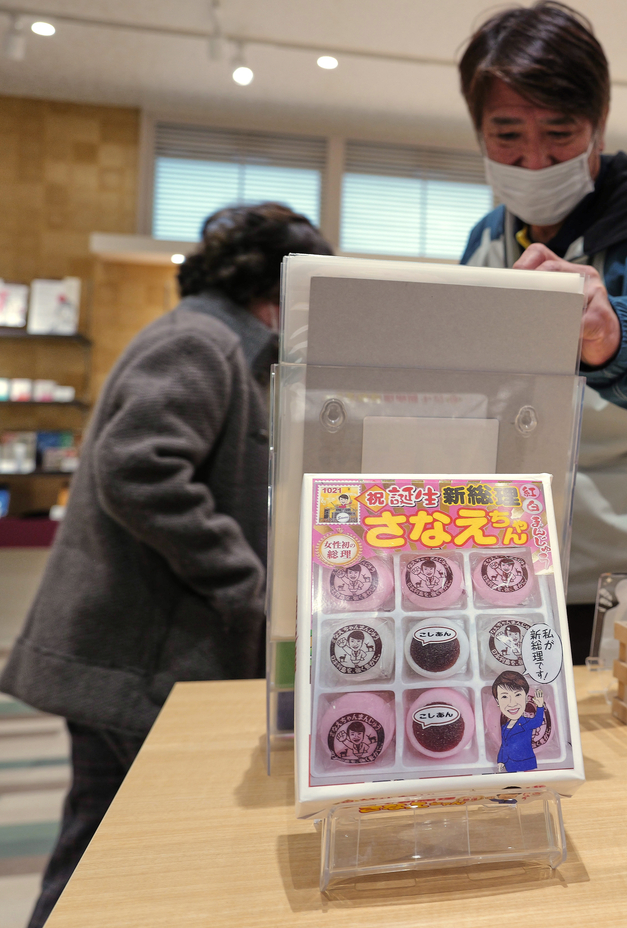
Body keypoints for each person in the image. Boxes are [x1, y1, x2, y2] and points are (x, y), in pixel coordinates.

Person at [0, 203, 330, 928]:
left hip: (138, 655)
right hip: (135, 656)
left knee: (116, 843)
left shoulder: (215, 338)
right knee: (106, 856)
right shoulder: (204, 343)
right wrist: (243, 580)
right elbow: (138, 468)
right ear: (280, 285)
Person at [457, 1, 627, 650]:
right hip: (509, 557)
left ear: (599, 123)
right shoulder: (488, 236)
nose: (533, 161)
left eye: (559, 133)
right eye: (507, 136)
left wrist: (614, 334)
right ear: (479, 130)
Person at [492, 670, 547, 772]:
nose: (512, 703)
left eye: (517, 695)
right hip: (509, 763)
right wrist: (500, 761)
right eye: (504, 697)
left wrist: (540, 706)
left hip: (524, 762)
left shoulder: (526, 723)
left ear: (526, 698)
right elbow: (504, 745)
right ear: (497, 701)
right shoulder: (504, 727)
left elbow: (538, 722)